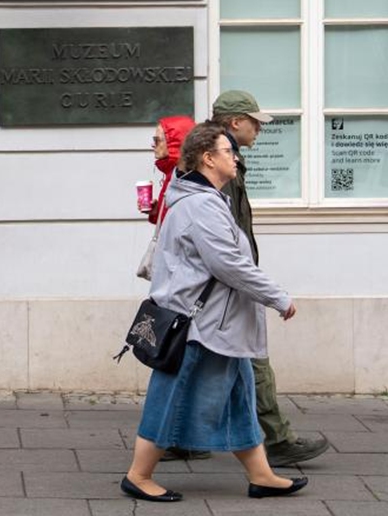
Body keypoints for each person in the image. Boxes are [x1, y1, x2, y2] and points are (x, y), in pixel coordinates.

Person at [121, 122, 309, 503]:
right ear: (208, 158)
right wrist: (277, 297)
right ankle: (138, 475)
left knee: (240, 398)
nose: (235, 158)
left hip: (218, 326)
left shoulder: (206, 199)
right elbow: (229, 264)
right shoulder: (201, 206)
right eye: (228, 152)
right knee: (171, 396)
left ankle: (261, 475)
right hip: (199, 327)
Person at [210, 89, 330, 467]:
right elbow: (225, 236)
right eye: (254, 122)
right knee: (253, 358)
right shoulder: (222, 166)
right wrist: (260, 287)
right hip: (227, 284)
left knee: (198, 364)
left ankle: (174, 439)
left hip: (225, 282)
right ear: (235, 122)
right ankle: (276, 441)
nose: (259, 129)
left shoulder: (222, 160)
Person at [144, 115, 196, 224]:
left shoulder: (183, 178)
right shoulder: (173, 173)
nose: (153, 145)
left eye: (157, 140)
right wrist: (157, 212)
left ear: (175, 142)